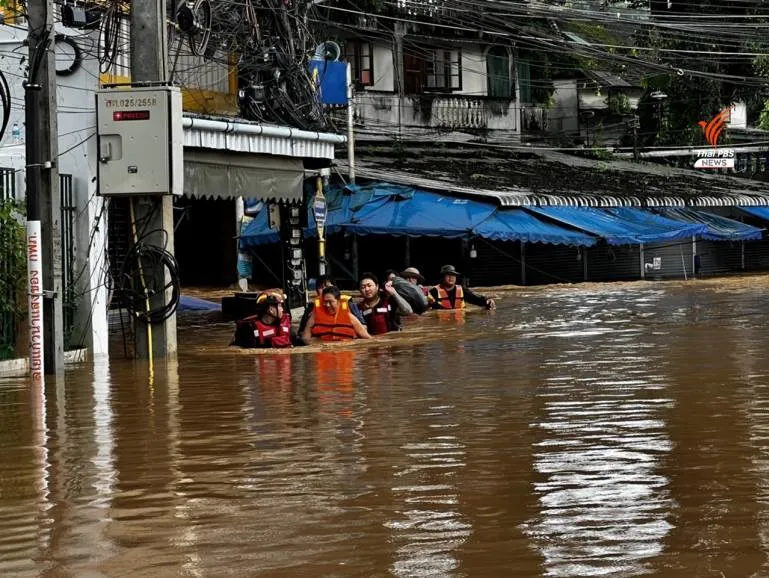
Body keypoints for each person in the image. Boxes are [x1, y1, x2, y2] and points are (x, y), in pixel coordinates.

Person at [298, 274, 365, 336]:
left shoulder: (350, 305)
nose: (324, 289)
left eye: (327, 286)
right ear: (317, 291)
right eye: (321, 287)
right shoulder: (310, 310)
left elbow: (364, 327)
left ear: (335, 289)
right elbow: (301, 333)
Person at [302, 286, 371, 343]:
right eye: (325, 302)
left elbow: (367, 337)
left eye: (331, 302)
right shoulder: (315, 315)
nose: (328, 305)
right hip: (323, 351)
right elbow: (305, 337)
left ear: (338, 301)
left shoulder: (349, 316)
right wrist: (319, 343)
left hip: (344, 351)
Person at [429, 264, 496, 310]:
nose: (451, 277)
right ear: (442, 278)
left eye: (453, 275)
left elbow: (476, 299)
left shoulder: (462, 290)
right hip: (443, 322)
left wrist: (487, 300)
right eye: (448, 275)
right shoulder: (434, 291)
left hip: (459, 322)